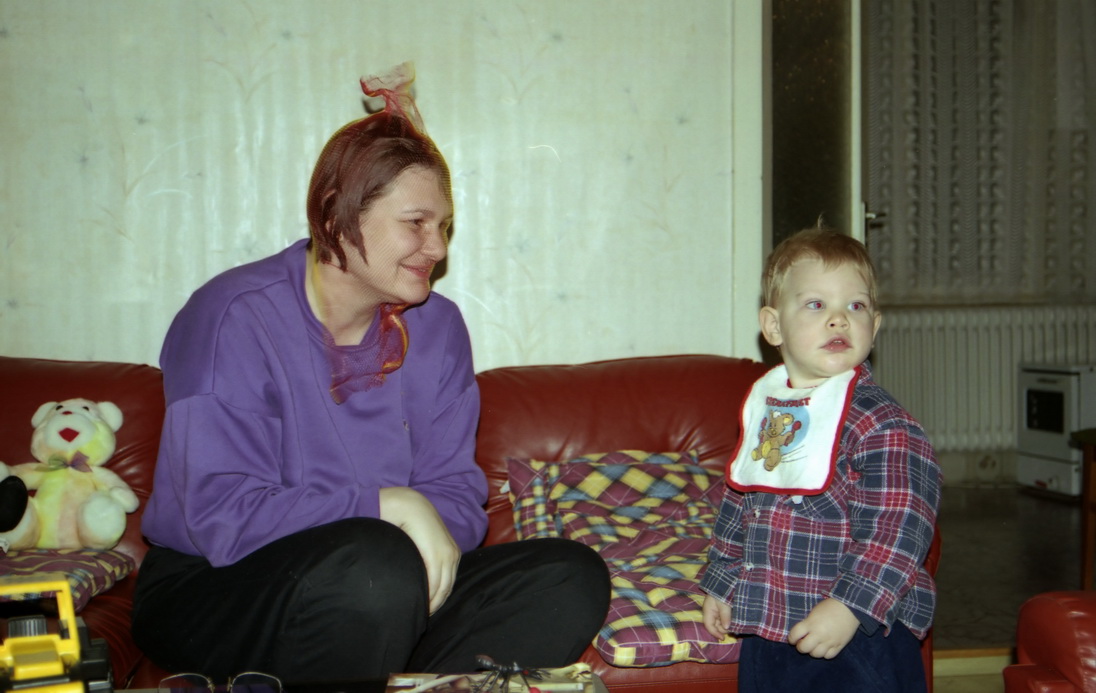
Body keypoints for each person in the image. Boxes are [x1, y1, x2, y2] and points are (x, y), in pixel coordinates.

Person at [132, 65, 610, 684]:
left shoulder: (438, 328)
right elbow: (222, 514)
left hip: (386, 585)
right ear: (337, 213)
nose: (437, 248)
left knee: (568, 575)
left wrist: (414, 535)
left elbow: (457, 498)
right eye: (416, 223)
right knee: (373, 564)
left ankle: (381, 663)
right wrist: (388, 506)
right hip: (213, 586)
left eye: (444, 227)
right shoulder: (232, 315)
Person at [699, 226, 941, 692]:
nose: (838, 320)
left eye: (856, 306)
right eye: (816, 304)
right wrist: (722, 582)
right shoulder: (771, 412)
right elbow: (739, 504)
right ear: (773, 326)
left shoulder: (882, 424)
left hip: (859, 633)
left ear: (875, 325)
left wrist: (850, 605)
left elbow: (900, 528)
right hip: (769, 624)